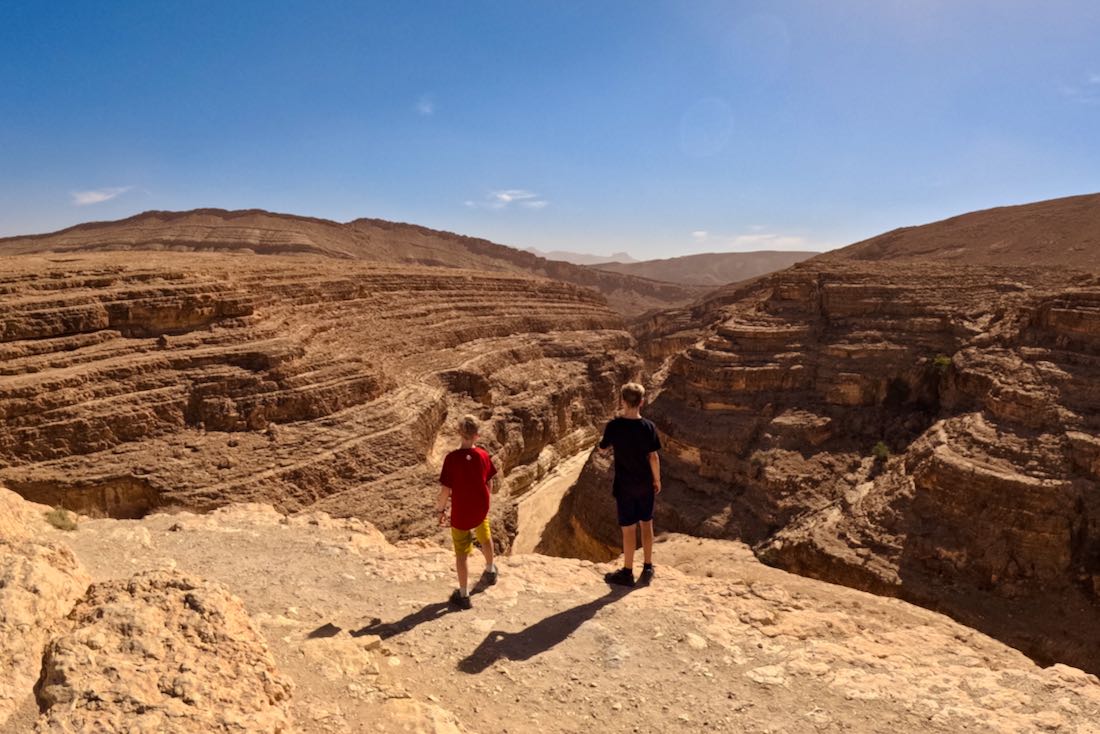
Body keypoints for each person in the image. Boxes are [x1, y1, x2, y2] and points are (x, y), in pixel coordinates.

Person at [598, 382, 661, 587]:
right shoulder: (648, 427)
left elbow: (603, 450)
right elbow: (653, 457)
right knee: (647, 525)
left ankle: (627, 572)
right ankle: (648, 566)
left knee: (628, 530)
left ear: (622, 401)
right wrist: (657, 480)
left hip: (624, 486)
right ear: (642, 402)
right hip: (645, 484)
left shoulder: (614, 426)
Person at [435, 414, 498, 609]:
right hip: (479, 508)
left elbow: (446, 490)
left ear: (459, 433)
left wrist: (440, 510)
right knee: (485, 537)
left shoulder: (452, 459)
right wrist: (486, 499)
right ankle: (490, 570)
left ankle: (463, 595)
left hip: (461, 513)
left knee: (461, 554)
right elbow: (490, 481)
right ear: (477, 435)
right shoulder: (483, 455)